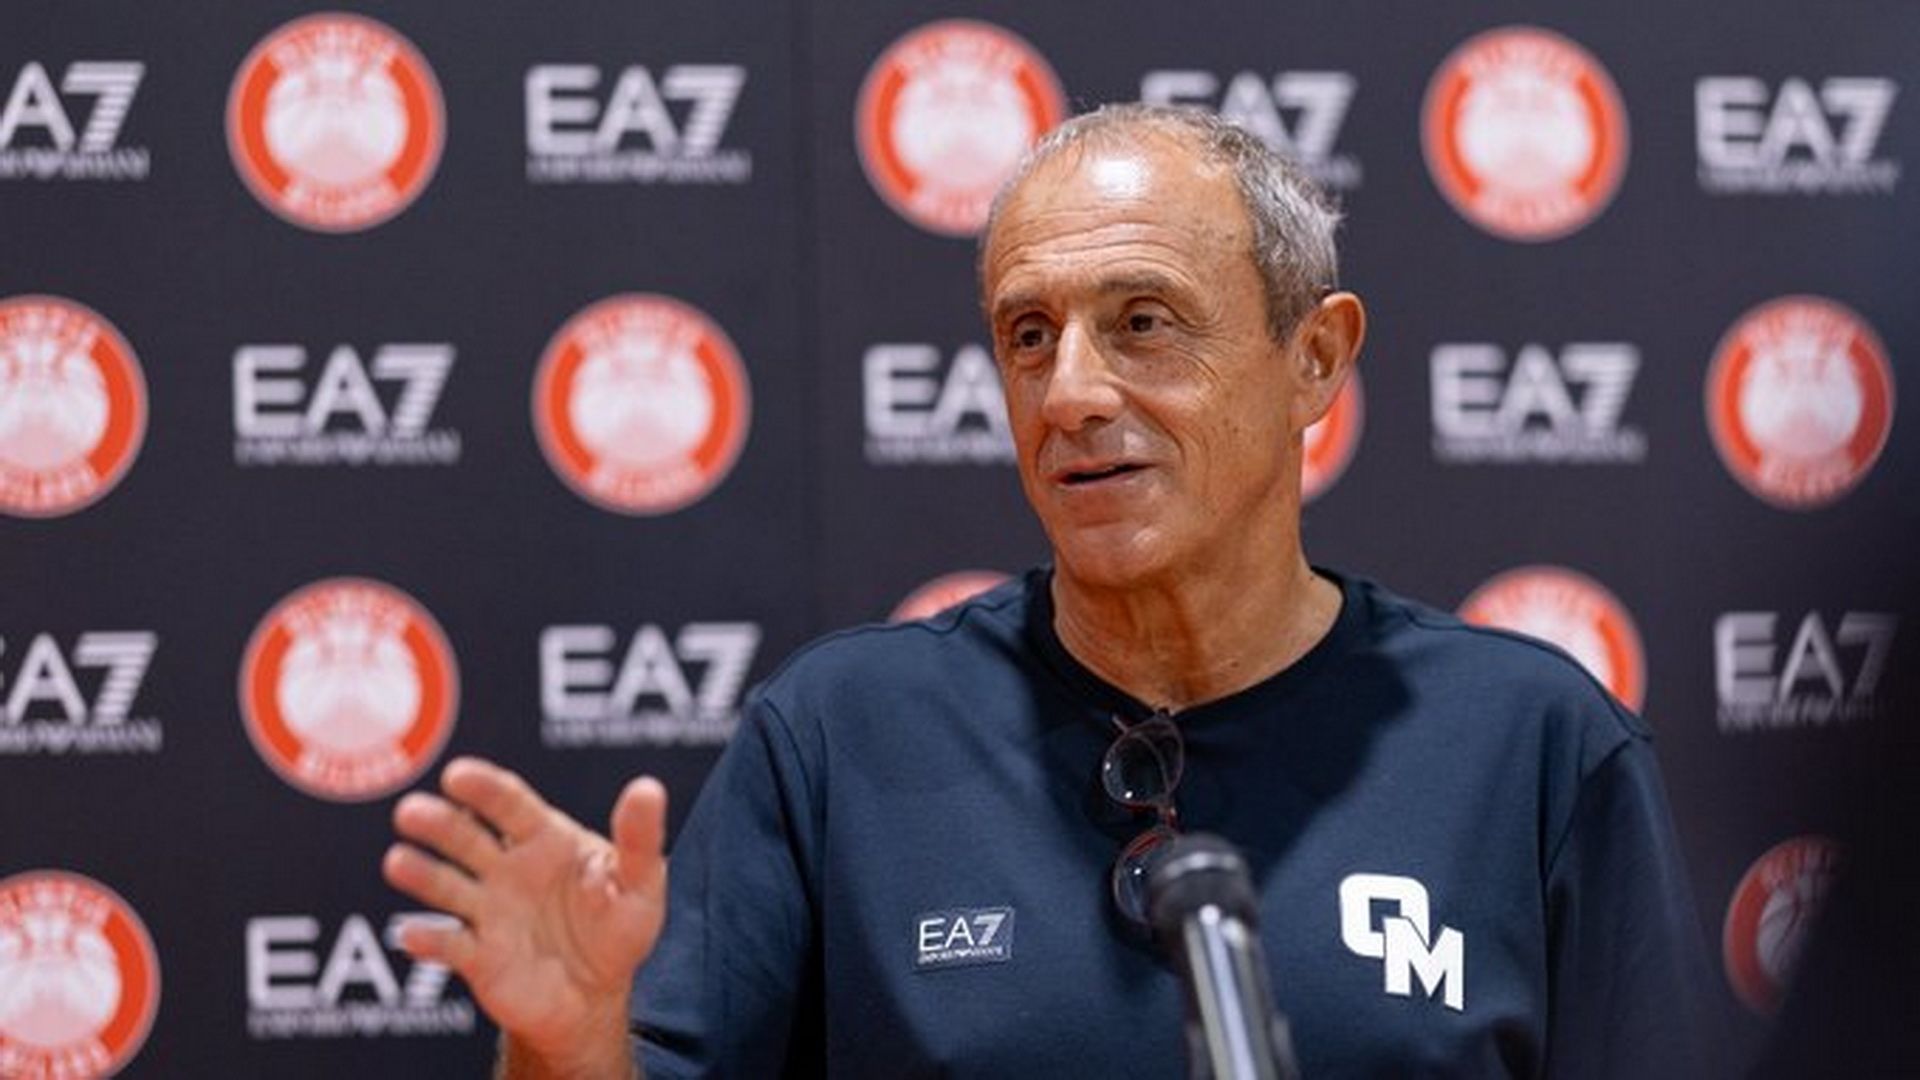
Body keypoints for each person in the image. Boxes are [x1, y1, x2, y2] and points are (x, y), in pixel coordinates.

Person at [382, 104, 1714, 1078]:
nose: (1070, 392)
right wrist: (566, 1042)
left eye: (1143, 322)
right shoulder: (840, 735)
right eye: (1030, 335)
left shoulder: (1531, 744)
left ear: (1315, 358)